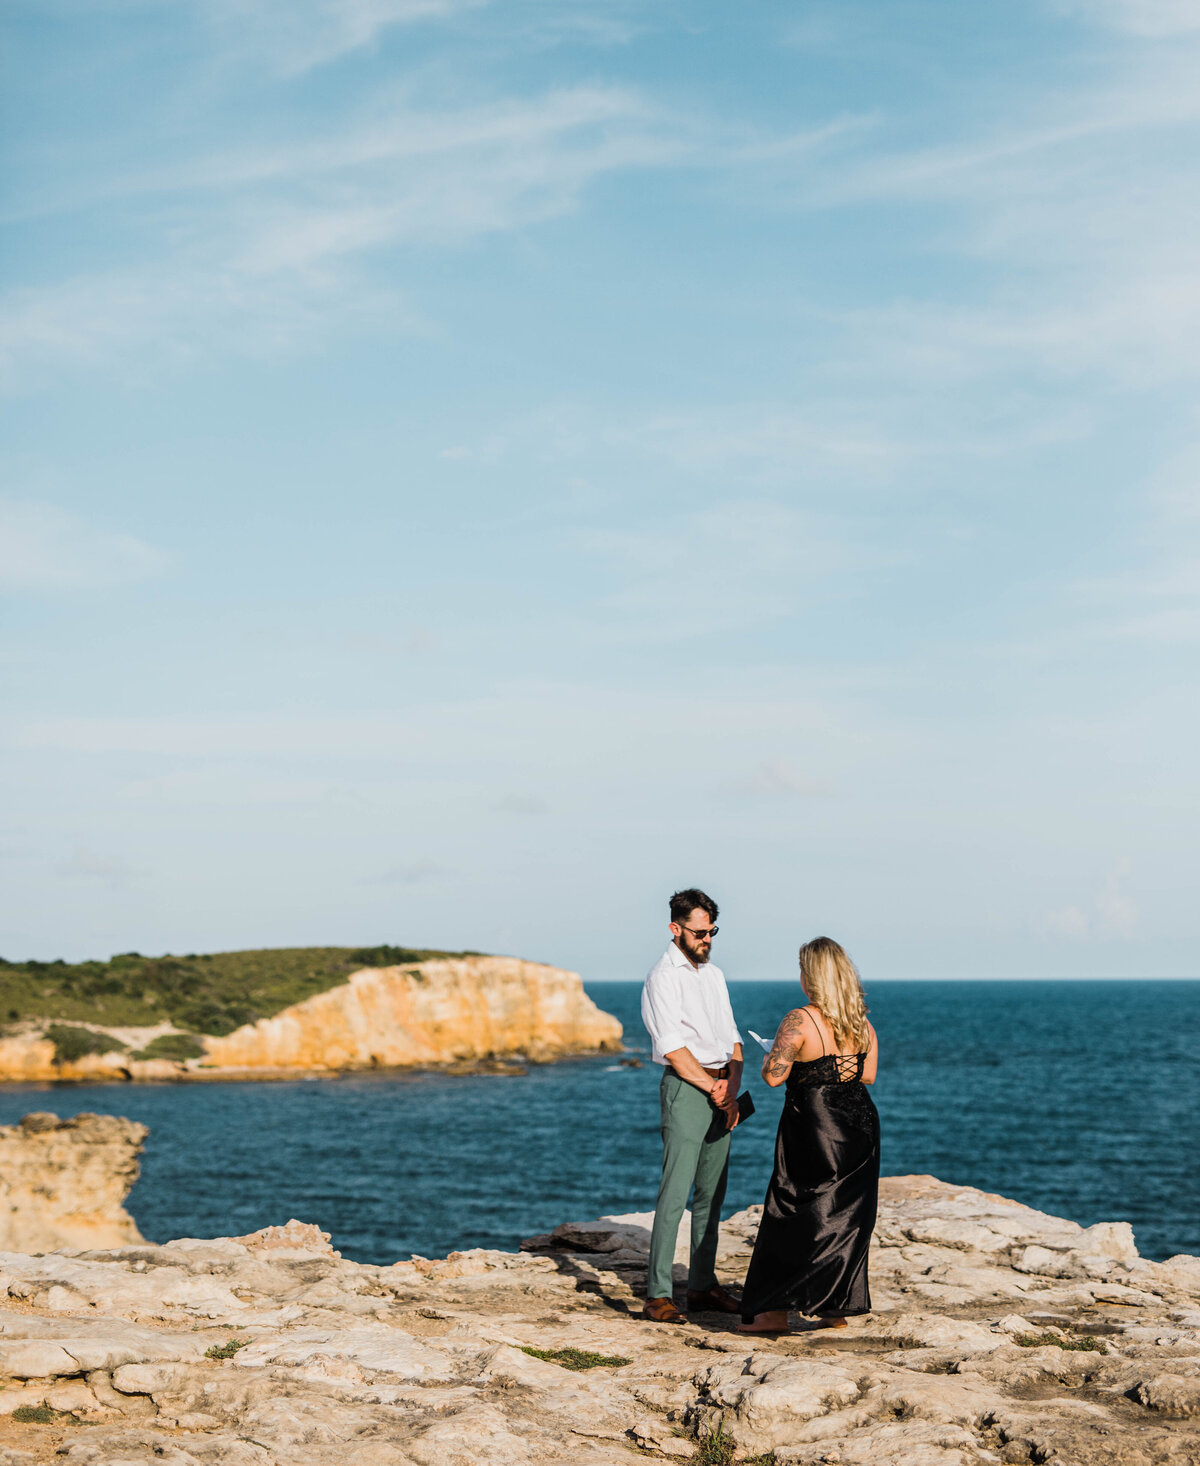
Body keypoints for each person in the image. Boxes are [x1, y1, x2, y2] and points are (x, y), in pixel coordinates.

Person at [737, 936, 879, 1334]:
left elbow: (771, 1077)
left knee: (793, 1205)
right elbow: (867, 1074)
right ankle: (835, 1310)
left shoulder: (800, 1019)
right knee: (848, 1213)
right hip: (858, 1121)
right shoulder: (860, 1021)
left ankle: (771, 1312)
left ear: (810, 976)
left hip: (814, 1121)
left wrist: (772, 1056)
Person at [640, 887, 745, 1323]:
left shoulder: (714, 975)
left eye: (712, 931)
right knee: (675, 1194)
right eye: (700, 932)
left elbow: (732, 1037)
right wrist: (712, 1087)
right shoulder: (662, 977)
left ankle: (702, 1287)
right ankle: (658, 1295)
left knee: (712, 1196)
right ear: (675, 928)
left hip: (722, 1090)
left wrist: (732, 1087)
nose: (707, 939)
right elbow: (672, 1047)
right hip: (687, 1091)